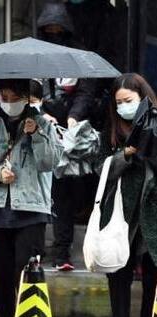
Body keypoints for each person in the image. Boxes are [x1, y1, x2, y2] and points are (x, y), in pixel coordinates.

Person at [0, 79, 62, 317]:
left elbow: (51, 162)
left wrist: (37, 134)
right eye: (4, 98)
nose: (9, 103)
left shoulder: (44, 125)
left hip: (31, 210)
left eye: (14, 98)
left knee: (27, 274)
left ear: (25, 97)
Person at [37, 1, 100, 270]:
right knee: (41, 191)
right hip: (40, 127)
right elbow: (31, 88)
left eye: (57, 28)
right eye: (49, 29)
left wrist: (73, 118)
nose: (54, 33)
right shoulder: (37, 55)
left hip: (71, 133)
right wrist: (40, 111)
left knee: (65, 190)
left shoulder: (80, 56)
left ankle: (62, 253)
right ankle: (40, 250)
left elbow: (86, 91)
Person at [94, 73, 157, 317]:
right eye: (118, 103)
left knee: (152, 278)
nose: (123, 107)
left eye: (128, 100)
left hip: (152, 213)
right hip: (120, 214)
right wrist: (126, 154)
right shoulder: (110, 130)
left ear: (143, 98)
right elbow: (100, 168)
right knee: (119, 274)